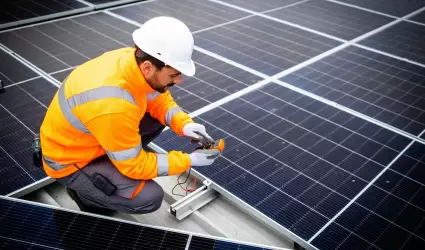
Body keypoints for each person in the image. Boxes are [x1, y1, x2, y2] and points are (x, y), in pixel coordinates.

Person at [38, 16, 222, 216]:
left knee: (155, 119)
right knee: (147, 198)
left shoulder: (131, 60)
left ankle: (119, 151)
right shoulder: (113, 104)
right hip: (70, 160)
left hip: (96, 134)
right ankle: (84, 195)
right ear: (148, 67)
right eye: (173, 74)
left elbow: (159, 101)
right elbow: (135, 166)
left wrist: (184, 124)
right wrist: (189, 160)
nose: (179, 80)